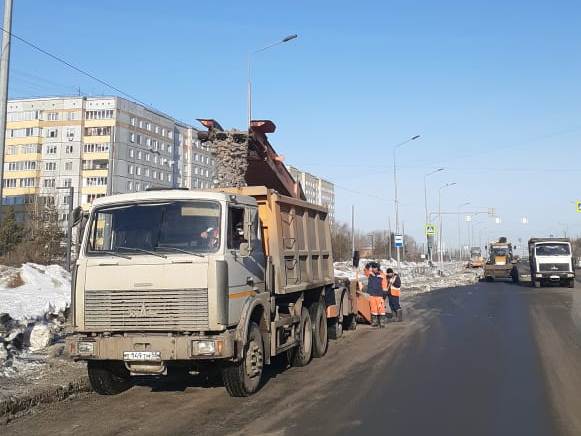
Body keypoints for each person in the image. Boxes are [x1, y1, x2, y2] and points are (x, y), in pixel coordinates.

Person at [364, 262, 388, 328]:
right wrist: (367, 265)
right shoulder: (370, 274)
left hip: (379, 294)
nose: (374, 269)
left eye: (375, 267)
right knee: (373, 309)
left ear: (378, 268)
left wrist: (384, 294)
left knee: (381, 309)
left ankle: (382, 322)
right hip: (371, 294)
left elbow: (384, 285)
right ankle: (374, 322)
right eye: (373, 267)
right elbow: (365, 271)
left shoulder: (382, 275)